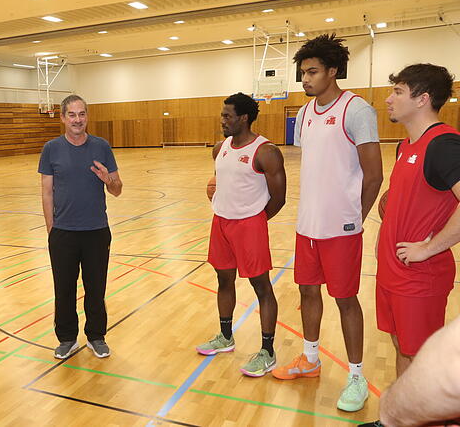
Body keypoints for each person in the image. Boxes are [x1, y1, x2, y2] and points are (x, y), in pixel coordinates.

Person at [271, 34, 383, 413]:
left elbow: (374, 175)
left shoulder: (357, 110)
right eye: (303, 72)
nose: (305, 79)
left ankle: (355, 376)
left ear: (333, 71)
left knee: (347, 301)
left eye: (313, 71)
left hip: (342, 229)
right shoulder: (303, 114)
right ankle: (311, 357)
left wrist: (356, 217)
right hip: (308, 226)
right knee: (307, 293)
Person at [376, 64, 459, 376]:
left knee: (421, 357)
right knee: (403, 349)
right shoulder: (405, 146)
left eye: (398, 91)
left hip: (420, 276)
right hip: (392, 270)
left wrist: (428, 248)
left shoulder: (443, 144)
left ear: (423, 99)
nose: (388, 98)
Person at [196, 93, 286, 377]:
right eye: (222, 115)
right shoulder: (220, 147)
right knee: (224, 279)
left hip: (249, 226)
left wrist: (255, 220)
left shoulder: (265, 151)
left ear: (244, 118)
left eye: (227, 116)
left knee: (261, 287)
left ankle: (267, 352)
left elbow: (279, 198)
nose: (222, 120)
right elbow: (222, 182)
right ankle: (225, 337)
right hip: (220, 222)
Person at [38, 94, 123, 359]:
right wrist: (52, 229)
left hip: (96, 230)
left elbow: (118, 190)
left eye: (82, 114)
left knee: (96, 287)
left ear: (87, 116)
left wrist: (108, 179)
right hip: (63, 232)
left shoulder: (102, 147)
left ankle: (96, 336)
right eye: (72, 115)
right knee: (63, 289)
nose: (78, 120)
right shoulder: (51, 149)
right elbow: (47, 192)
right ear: (63, 118)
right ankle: (66, 339)